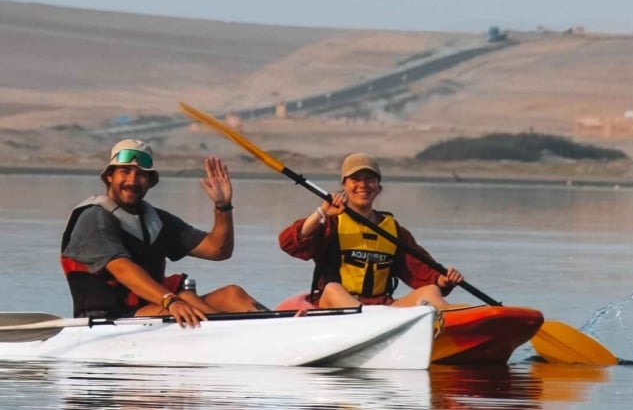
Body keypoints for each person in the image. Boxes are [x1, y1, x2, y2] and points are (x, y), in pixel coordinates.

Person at [61, 139, 267, 327]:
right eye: (124, 171)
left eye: (141, 174)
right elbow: (122, 269)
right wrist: (171, 300)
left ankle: (276, 329)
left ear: (150, 181)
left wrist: (223, 207)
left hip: (155, 307)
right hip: (106, 321)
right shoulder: (93, 218)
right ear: (109, 176)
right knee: (187, 304)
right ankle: (232, 334)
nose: (132, 181)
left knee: (233, 294)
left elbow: (218, 250)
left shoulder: (156, 220)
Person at [278, 153, 464, 308]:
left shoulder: (394, 231)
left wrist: (442, 279)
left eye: (369, 179)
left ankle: (457, 325)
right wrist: (322, 212)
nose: (363, 185)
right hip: (334, 305)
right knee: (333, 288)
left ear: (379, 187)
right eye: (355, 179)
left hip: (380, 307)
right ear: (344, 185)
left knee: (430, 291)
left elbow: (422, 272)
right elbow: (290, 243)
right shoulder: (329, 223)